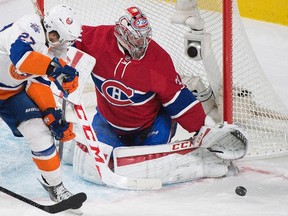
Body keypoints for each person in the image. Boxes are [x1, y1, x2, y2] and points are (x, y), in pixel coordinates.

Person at [72, 6, 247, 184]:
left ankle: (201, 164)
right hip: (108, 122)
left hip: (151, 127)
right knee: (99, 166)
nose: (141, 43)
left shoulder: (158, 61)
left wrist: (203, 129)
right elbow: (67, 35)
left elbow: (180, 100)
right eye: (135, 38)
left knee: (145, 169)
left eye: (144, 36)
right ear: (122, 34)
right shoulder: (97, 40)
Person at [0, 4, 83, 203]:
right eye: (60, 38)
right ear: (51, 29)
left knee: (40, 133)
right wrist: (55, 69)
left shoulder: (53, 53)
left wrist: (51, 114)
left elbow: (38, 84)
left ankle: (55, 186)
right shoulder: (30, 26)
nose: (62, 44)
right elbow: (21, 58)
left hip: (10, 93)